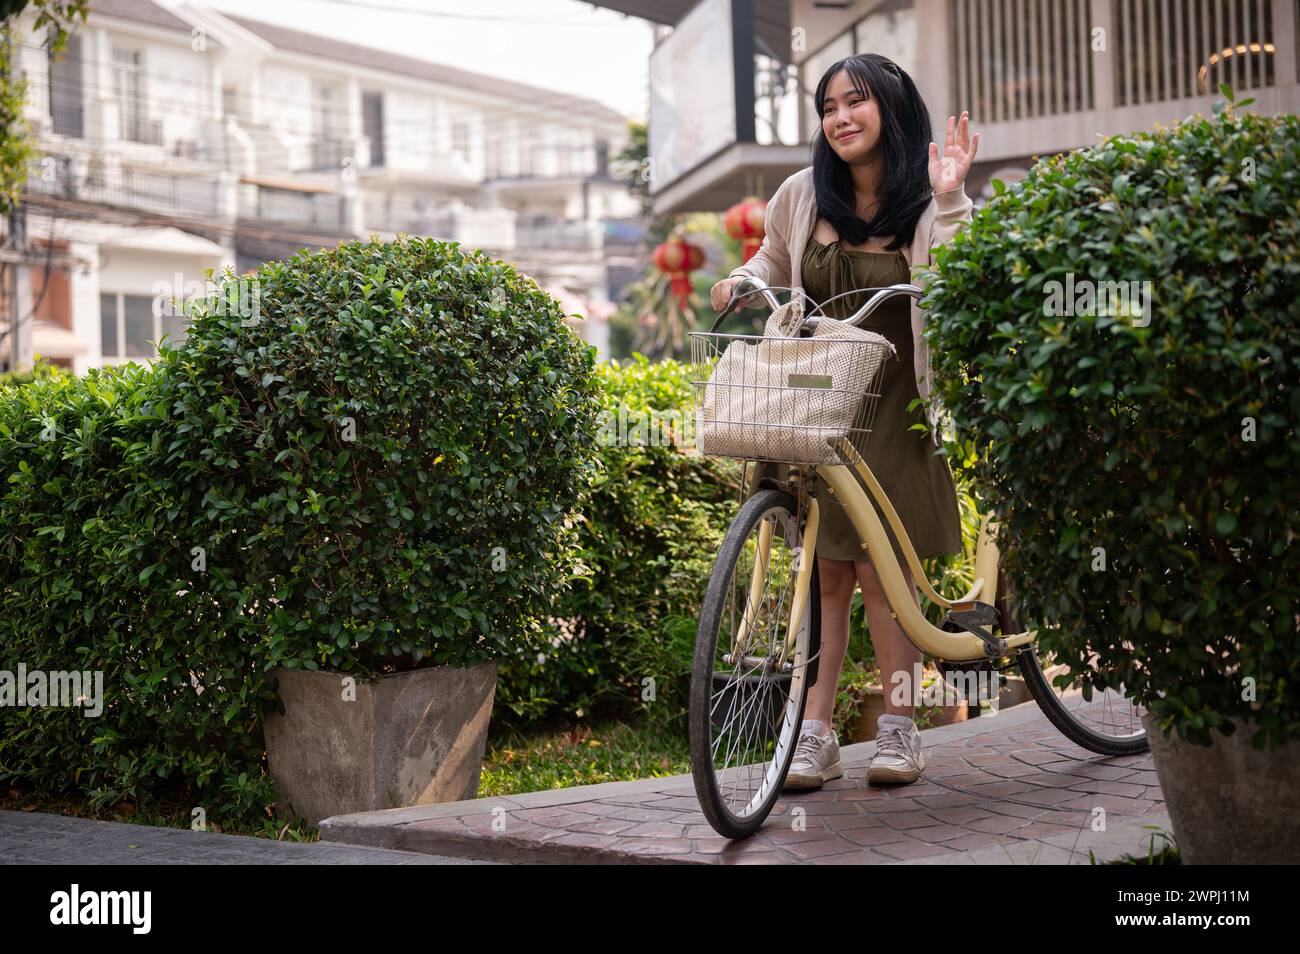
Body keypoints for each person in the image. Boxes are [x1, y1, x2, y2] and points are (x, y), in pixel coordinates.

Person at [709, 53, 980, 788]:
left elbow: (959, 277)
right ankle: (814, 735)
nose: (840, 118)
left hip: (896, 402)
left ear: (891, 111)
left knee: (880, 569)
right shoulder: (805, 193)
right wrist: (744, 279)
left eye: (855, 103)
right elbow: (772, 258)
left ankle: (899, 729)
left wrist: (951, 199)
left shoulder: (927, 195)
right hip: (814, 396)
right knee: (824, 570)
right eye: (829, 106)